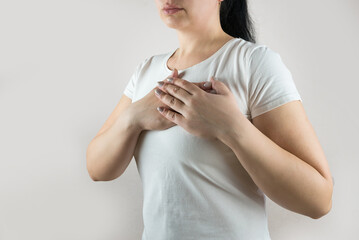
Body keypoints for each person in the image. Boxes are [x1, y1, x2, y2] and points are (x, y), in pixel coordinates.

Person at [86, 0, 334, 239]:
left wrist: (232, 128)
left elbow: (319, 201)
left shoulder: (254, 64)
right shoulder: (146, 71)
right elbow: (97, 169)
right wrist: (134, 117)